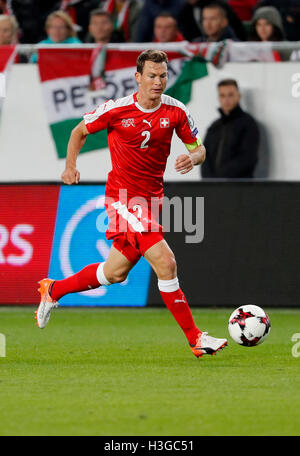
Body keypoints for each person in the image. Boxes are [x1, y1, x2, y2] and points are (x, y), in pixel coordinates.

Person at [35, 49, 228, 359]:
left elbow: (199, 148)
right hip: (123, 198)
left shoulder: (176, 111)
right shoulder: (116, 110)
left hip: (152, 201)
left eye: (162, 75)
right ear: (137, 77)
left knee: (115, 273)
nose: (158, 81)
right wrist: (70, 166)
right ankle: (196, 338)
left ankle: (53, 290)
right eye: (151, 75)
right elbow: (78, 131)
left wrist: (192, 158)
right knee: (166, 263)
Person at [201, 79, 259, 178]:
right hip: (213, 188)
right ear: (219, 98)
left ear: (238, 96)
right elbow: (204, 157)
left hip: (239, 188)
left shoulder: (248, 124)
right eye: (222, 95)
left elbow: (248, 158)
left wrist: (221, 177)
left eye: (230, 95)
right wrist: (209, 183)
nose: (226, 100)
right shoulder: (214, 127)